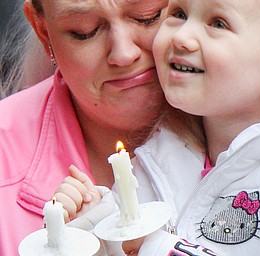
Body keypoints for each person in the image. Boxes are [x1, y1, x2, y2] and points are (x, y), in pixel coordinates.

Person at [56, 0, 260, 255]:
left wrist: (160, 249)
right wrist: (95, 230)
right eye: (179, 13)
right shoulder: (158, 157)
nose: (181, 36)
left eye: (218, 23)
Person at [0, 0, 191, 255]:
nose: (124, 54)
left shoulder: (258, 124)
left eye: (148, 16)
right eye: (84, 30)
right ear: (43, 32)